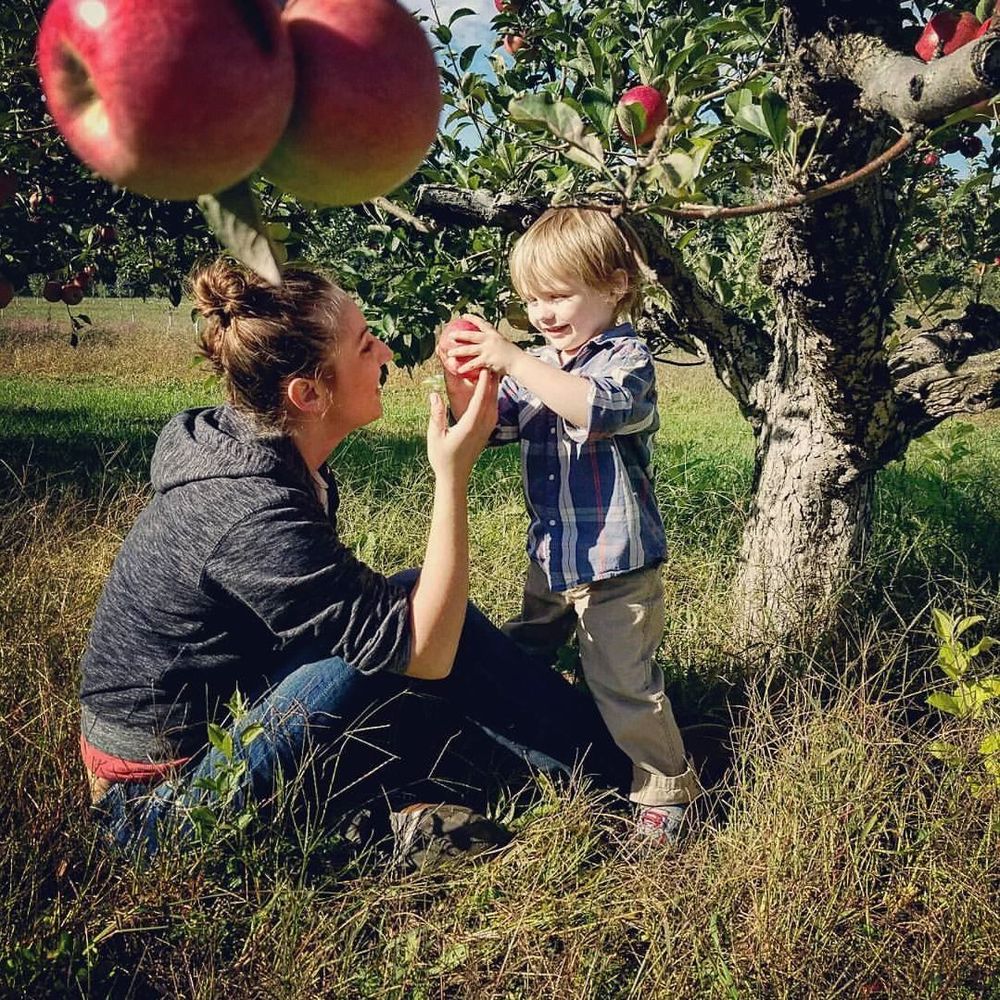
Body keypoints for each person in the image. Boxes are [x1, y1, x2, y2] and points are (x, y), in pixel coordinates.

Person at [79, 257, 628, 862]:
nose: (388, 353)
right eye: (365, 346)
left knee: (408, 622)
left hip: (228, 719)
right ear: (309, 394)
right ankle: (616, 769)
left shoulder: (260, 452)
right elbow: (427, 648)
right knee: (416, 632)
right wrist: (453, 475)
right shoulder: (250, 510)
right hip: (162, 808)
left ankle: (405, 804)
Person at [438, 207, 702, 841]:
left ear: (614, 285)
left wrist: (515, 360)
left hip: (615, 565)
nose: (543, 314)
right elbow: (489, 425)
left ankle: (666, 789)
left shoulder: (627, 357)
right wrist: (462, 372)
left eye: (558, 296)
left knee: (623, 681)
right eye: (531, 300)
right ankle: (535, 734)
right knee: (524, 647)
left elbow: (599, 407)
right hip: (553, 555)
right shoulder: (538, 362)